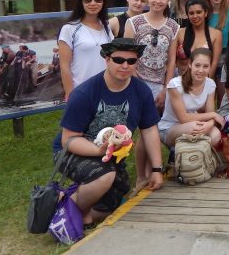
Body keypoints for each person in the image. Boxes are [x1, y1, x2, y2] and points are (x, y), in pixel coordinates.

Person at [52, 38, 163, 226]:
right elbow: (68, 140)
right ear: (107, 59)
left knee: (114, 200)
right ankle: (72, 213)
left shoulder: (141, 91)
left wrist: (156, 170)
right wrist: (98, 151)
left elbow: (150, 130)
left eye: (131, 61)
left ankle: (70, 197)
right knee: (105, 176)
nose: (125, 65)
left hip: (109, 155)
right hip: (72, 151)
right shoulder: (84, 93)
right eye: (118, 60)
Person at [124, 0, 179, 110]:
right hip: (135, 80)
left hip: (160, 83)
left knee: (157, 124)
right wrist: (138, 85)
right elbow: (127, 55)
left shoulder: (173, 26)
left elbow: (171, 61)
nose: (158, 1)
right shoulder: (134, 23)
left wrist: (166, 89)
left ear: (168, 0)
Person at [158, 47, 224, 149]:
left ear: (210, 67)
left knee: (216, 135)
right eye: (197, 65)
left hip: (193, 124)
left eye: (205, 66)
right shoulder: (175, 84)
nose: (201, 70)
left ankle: (195, 159)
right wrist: (213, 115)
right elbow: (183, 118)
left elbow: (210, 115)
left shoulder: (210, 84)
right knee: (194, 128)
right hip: (169, 128)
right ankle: (178, 154)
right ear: (190, 64)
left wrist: (210, 124)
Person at [58, 0, 113, 99]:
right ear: (81, 2)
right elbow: (64, 66)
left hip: (107, 89)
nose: (93, 3)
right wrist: (70, 93)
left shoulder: (107, 28)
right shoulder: (69, 29)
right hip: (81, 91)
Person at [170, 0, 222, 80]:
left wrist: (206, 84)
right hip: (180, 81)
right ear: (187, 15)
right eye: (191, 13)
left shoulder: (216, 34)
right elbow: (172, 61)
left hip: (203, 82)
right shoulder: (179, 32)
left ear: (205, 13)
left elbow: (214, 63)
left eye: (199, 12)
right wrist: (168, 85)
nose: (195, 16)